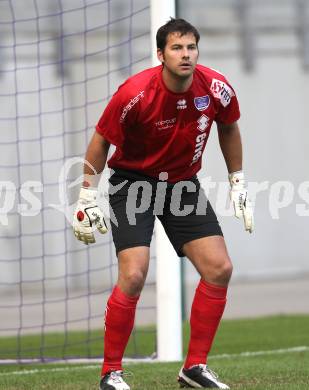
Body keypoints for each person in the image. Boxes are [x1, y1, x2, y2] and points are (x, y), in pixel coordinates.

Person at [73, 18, 253, 390]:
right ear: (161, 54)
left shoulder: (216, 87)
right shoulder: (134, 93)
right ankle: (111, 373)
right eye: (176, 48)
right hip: (132, 183)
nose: (185, 55)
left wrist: (238, 182)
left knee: (219, 268)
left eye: (191, 47)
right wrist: (86, 196)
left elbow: (230, 126)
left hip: (182, 184)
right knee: (135, 274)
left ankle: (194, 369)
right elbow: (101, 140)